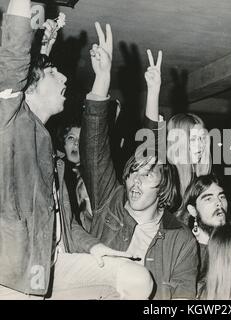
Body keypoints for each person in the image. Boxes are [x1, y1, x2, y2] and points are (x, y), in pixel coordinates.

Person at [0, 0, 152, 299]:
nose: (65, 77)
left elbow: (65, 223)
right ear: (29, 87)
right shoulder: (8, 124)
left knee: (137, 280)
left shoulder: (50, 153)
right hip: (12, 272)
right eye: (54, 72)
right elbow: (12, 60)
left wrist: (95, 247)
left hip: (53, 264)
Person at [81, 47, 198, 300]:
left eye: (147, 175)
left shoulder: (181, 239)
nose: (136, 179)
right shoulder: (109, 202)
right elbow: (94, 148)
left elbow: (184, 297)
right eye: (133, 171)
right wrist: (102, 81)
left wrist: (154, 92)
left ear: (163, 185)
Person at [143, 49, 211, 196]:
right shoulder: (166, 175)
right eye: (193, 139)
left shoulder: (202, 180)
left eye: (201, 138)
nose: (200, 144)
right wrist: (153, 91)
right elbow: (150, 138)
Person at [176, 174, 229, 296]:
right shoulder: (184, 250)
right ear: (193, 210)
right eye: (208, 198)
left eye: (221, 196)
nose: (219, 203)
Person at [58, 122, 93, 232]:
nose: (76, 143)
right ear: (64, 143)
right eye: (71, 138)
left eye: (81, 139)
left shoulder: (92, 178)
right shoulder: (56, 174)